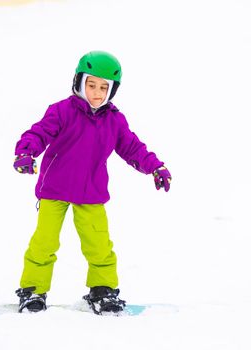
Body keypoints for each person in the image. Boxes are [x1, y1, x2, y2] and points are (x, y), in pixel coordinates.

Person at [13, 51, 172, 315]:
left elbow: (132, 148)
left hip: (91, 193)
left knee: (99, 245)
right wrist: (26, 152)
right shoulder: (62, 111)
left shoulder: (115, 121)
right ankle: (32, 291)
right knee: (44, 242)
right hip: (55, 190)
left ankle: (103, 290)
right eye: (91, 84)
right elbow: (39, 132)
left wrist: (154, 166)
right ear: (79, 82)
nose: (97, 92)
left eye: (104, 87)